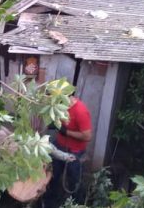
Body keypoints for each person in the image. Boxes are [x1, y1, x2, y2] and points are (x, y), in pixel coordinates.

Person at [42, 79, 92, 208]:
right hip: (59, 145)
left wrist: (66, 132)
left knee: (74, 182)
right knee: (52, 176)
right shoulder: (59, 108)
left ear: (63, 97)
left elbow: (87, 136)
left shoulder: (80, 111)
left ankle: (76, 204)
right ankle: (49, 203)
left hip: (75, 151)